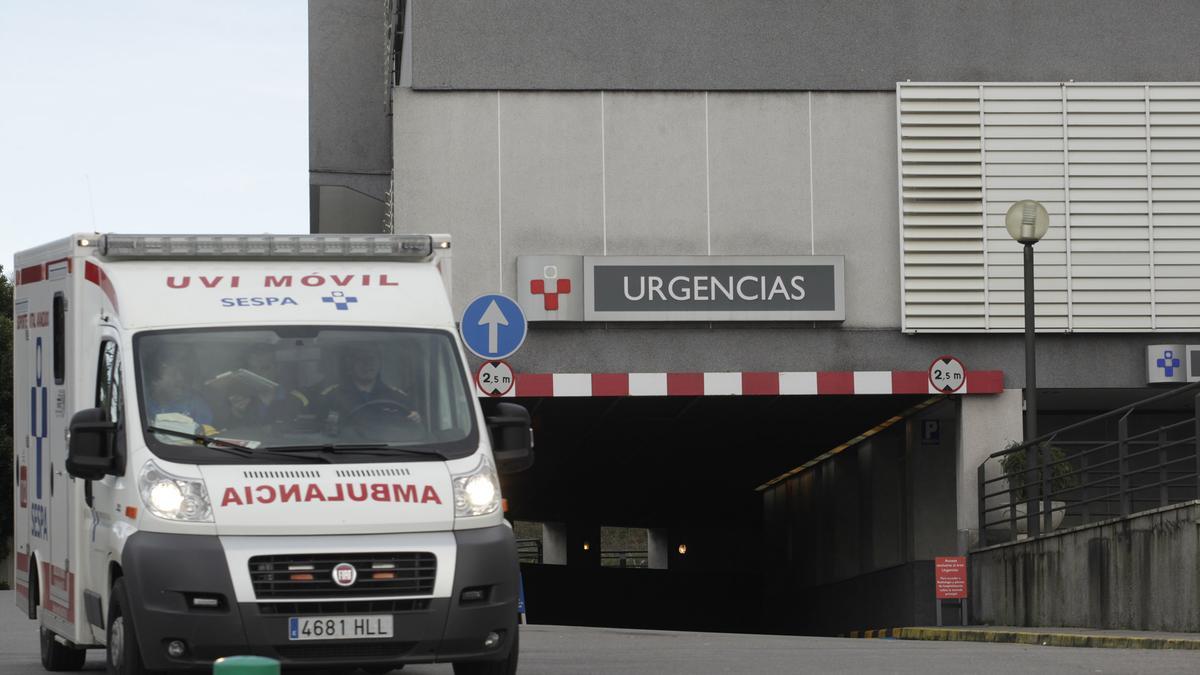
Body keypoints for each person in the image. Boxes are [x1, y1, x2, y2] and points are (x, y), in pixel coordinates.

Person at [321, 344, 421, 428]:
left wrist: (415, 420)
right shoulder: (331, 397)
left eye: (372, 358)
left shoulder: (398, 398)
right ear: (351, 364)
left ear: (380, 363)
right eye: (361, 359)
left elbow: (413, 430)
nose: (367, 364)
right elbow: (318, 432)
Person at [223, 344, 309, 428]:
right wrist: (237, 414)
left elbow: (309, 431)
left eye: (264, 368)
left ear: (276, 369)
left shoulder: (298, 399)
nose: (258, 373)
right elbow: (230, 435)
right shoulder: (239, 398)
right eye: (252, 369)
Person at [143, 347, 214, 427]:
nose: (180, 378)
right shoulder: (139, 401)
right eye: (173, 374)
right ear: (155, 381)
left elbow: (205, 436)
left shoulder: (194, 403)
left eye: (181, 373)